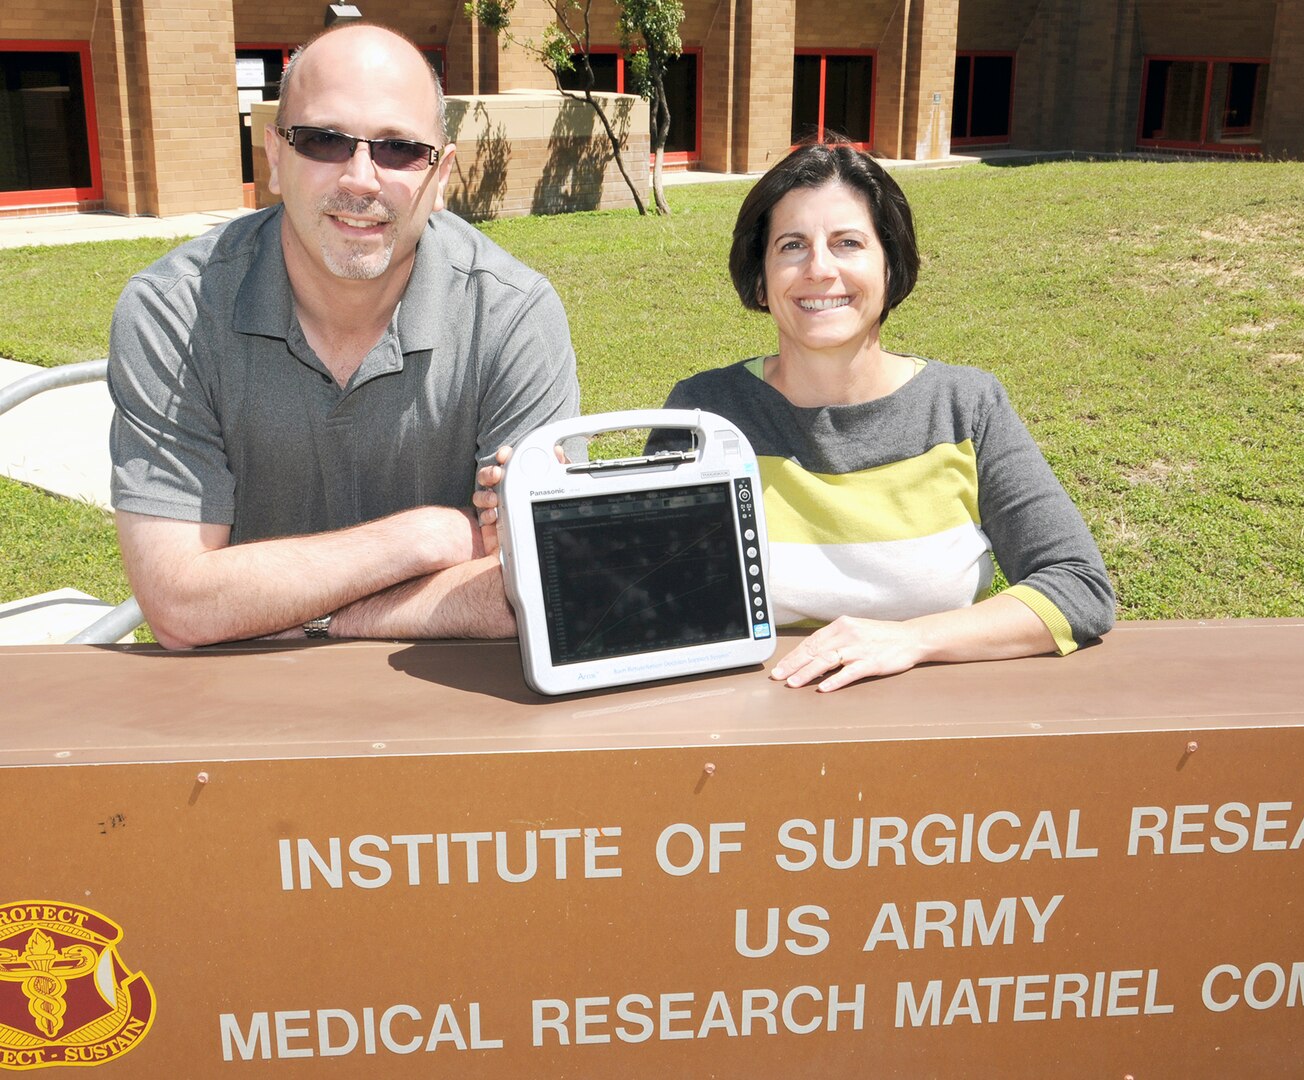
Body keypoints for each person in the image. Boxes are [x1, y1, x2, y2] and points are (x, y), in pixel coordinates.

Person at [479, 140, 1112, 691]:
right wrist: (547, 525)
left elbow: (1078, 588)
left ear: (891, 266)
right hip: (744, 738)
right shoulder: (705, 415)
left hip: (928, 740)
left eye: (847, 243)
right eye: (791, 246)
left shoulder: (966, 407)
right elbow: (642, 596)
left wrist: (911, 640)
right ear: (760, 278)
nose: (819, 270)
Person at [108, 24, 579, 650]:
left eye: (400, 150)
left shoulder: (513, 315)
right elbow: (180, 604)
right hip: (235, 705)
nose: (361, 179)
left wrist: (312, 618)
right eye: (324, 140)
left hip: (450, 704)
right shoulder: (174, 311)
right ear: (274, 156)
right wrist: (427, 536)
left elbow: (537, 587)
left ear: (441, 176)